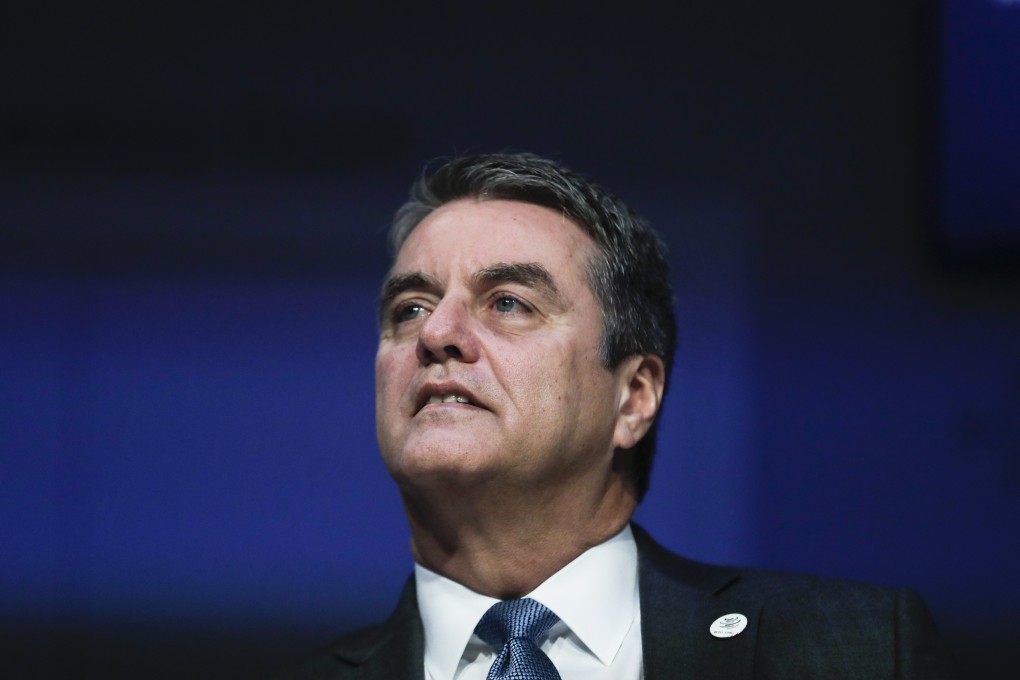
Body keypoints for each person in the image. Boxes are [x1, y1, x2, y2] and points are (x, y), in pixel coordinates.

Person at [280, 153, 957, 679]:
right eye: (410, 309)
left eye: (509, 302)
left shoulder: (859, 650)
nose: (436, 334)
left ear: (633, 396)